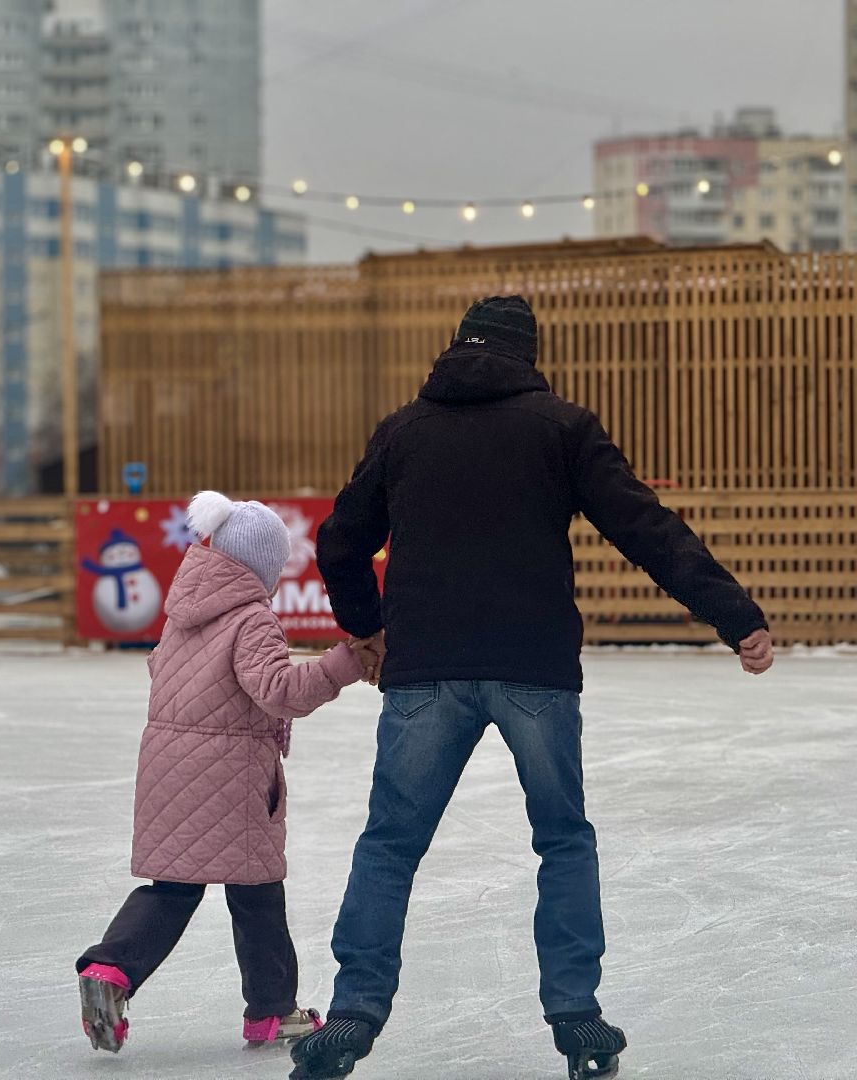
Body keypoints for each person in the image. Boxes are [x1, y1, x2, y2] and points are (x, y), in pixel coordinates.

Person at [290, 296, 774, 1080]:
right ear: (528, 357)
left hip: (426, 671)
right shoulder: (562, 428)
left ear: (455, 351)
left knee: (389, 845)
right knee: (562, 839)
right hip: (534, 670)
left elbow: (340, 538)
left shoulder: (405, 430)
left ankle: (352, 1013)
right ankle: (577, 1016)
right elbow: (646, 528)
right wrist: (734, 615)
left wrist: (367, 625)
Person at [75, 491, 379, 1055]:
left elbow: (166, 675)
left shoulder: (183, 612)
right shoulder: (250, 618)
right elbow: (278, 691)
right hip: (231, 775)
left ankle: (111, 968)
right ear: (264, 567)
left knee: (171, 886)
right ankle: (271, 1011)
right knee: (258, 893)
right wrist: (346, 663)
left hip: (166, 766)